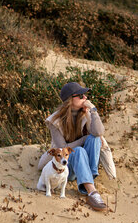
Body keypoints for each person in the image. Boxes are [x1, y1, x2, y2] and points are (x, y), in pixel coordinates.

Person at [38, 82, 107, 211]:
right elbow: (62, 148)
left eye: (85, 95)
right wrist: (84, 139)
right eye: (80, 96)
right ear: (70, 100)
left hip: (84, 164)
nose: (85, 98)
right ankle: (92, 192)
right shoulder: (55, 121)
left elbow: (98, 132)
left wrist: (93, 111)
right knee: (80, 149)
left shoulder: (86, 113)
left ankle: (88, 179)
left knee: (94, 139)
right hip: (66, 167)